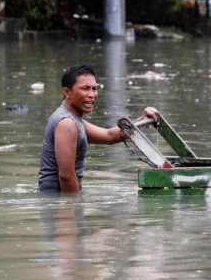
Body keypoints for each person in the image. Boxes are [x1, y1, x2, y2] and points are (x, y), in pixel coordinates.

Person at [38, 64, 159, 192]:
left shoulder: (73, 120)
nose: (92, 94)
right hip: (56, 205)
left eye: (94, 89)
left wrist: (143, 119)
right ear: (67, 92)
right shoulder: (67, 123)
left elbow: (109, 136)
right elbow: (66, 176)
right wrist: (74, 207)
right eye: (85, 88)